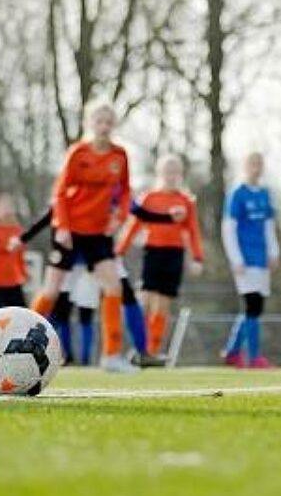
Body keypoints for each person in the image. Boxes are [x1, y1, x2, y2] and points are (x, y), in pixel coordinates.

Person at [35, 101, 182, 373]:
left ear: (114, 125)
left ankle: (111, 356)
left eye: (108, 122)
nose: (103, 127)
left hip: (99, 234)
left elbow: (125, 192)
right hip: (70, 231)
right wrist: (64, 227)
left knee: (113, 288)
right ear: (90, 123)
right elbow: (59, 194)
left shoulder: (119, 156)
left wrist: (119, 217)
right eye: (99, 121)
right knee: (52, 291)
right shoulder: (77, 153)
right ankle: (21, 339)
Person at [118, 154, 204, 361]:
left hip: (174, 255)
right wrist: (119, 250)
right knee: (144, 301)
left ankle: (152, 352)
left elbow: (193, 231)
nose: (171, 176)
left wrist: (197, 258)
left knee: (162, 305)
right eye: (167, 171)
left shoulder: (186, 201)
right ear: (159, 173)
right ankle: (140, 347)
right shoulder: (149, 198)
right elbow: (133, 226)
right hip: (152, 253)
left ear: (181, 175)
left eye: (175, 172)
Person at [221, 153, 278, 370]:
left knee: (255, 308)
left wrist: (274, 252)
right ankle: (254, 357)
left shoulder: (264, 194)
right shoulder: (237, 194)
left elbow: (268, 227)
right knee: (252, 305)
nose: (256, 168)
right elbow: (229, 229)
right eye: (252, 164)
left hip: (261, 259)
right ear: (245, 167)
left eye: (260, 164)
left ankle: (232, 352)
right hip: (244, 260)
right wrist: (235, 258)